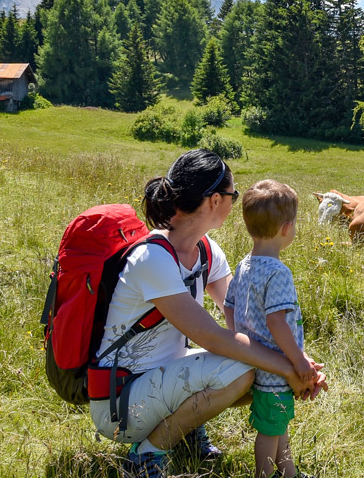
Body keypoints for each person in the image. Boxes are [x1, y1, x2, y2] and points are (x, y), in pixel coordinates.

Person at [89, 149, 326, 478]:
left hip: (159, 381)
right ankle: (147, 454)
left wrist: (302, 364)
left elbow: (249, 321)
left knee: (253, 364)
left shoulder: (205, 250)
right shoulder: (153, 258)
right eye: (233, 195)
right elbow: (213, 338)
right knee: (243, 368)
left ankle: (185, 433)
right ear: (216, 200)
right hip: (121, 402)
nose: (234, 203)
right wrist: (289, 368)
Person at [223, 180, 315, 478]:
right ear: (287, 228)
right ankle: (264, 474)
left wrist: (241, 339)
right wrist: (299, 361)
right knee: (269, 429)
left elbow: (229, 305)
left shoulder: (244, 265)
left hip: (257, 358)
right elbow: (276, 321)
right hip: (275, 365)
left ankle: (288, 472)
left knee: (277, 423)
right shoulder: (278, 272)